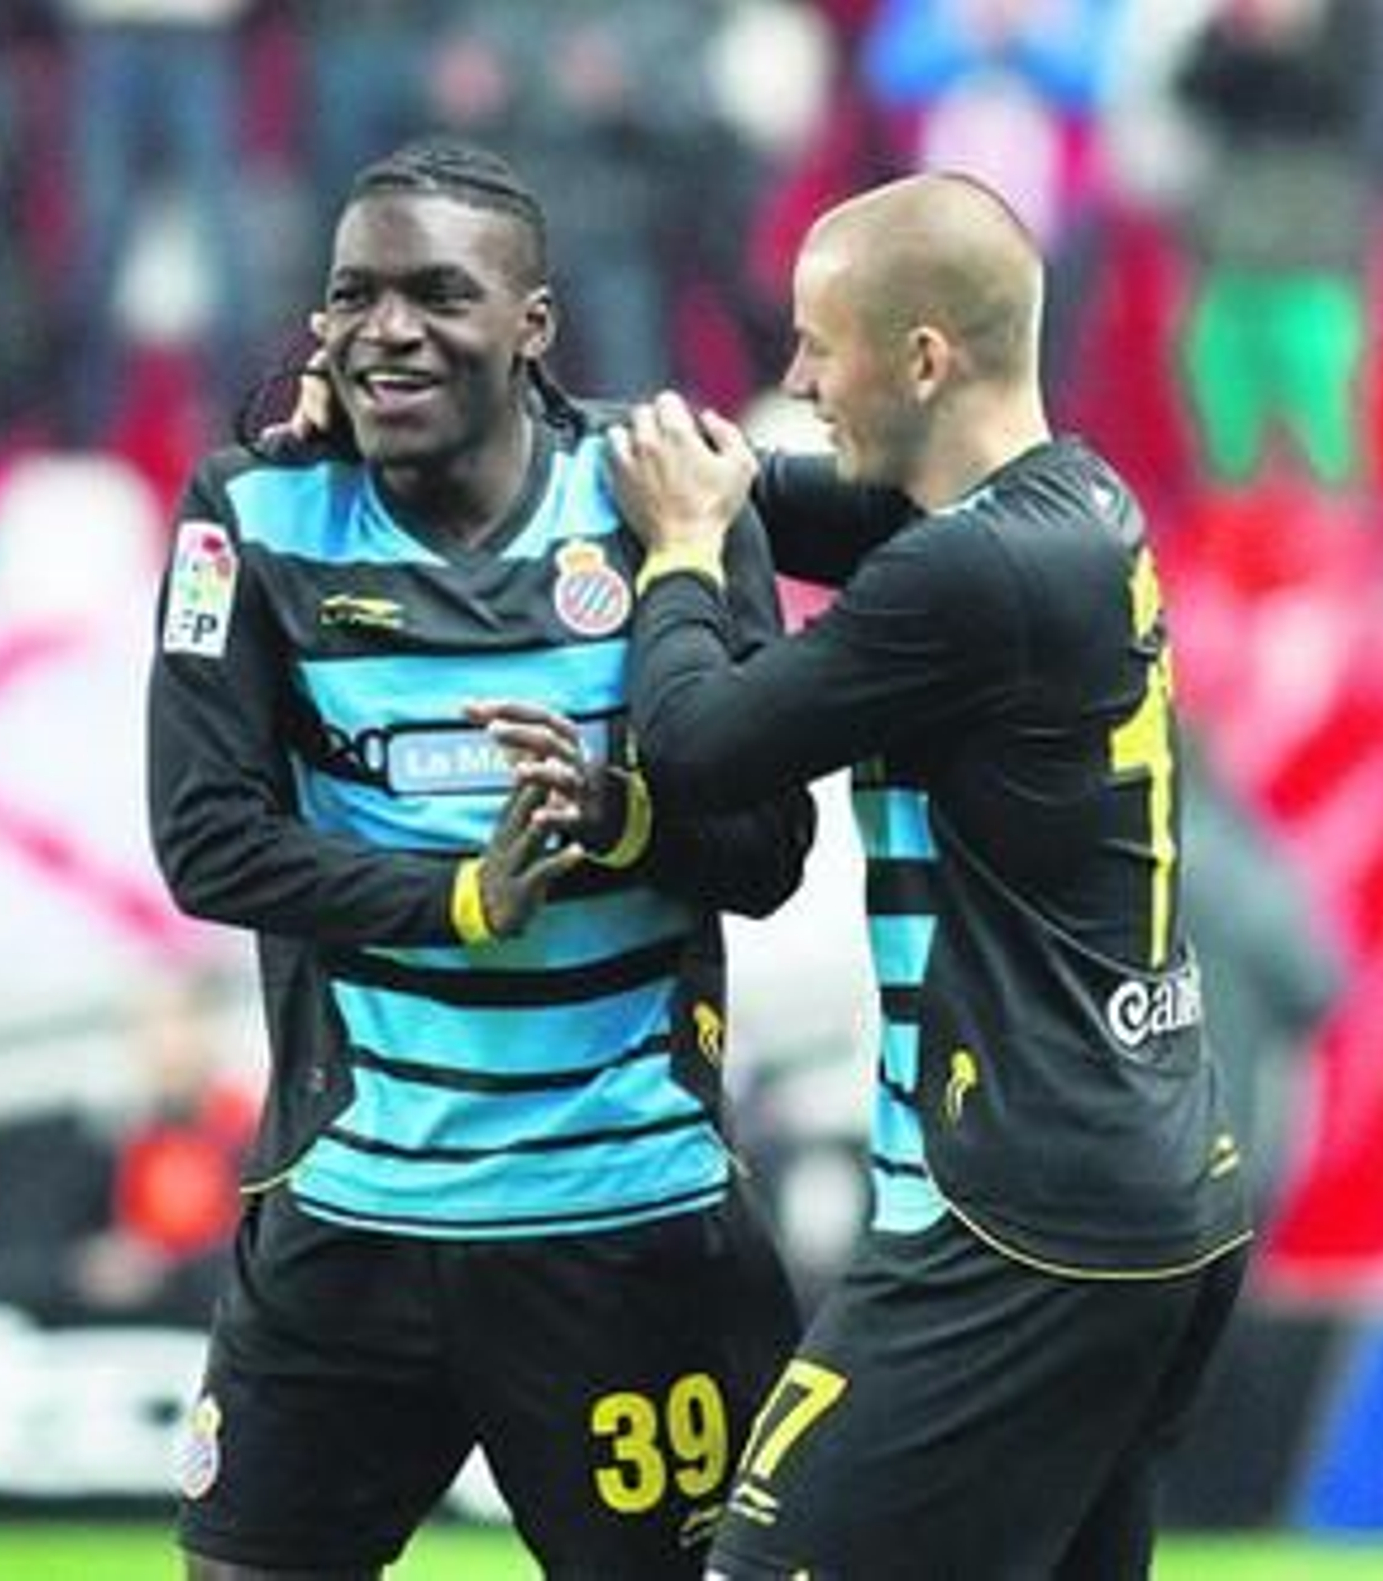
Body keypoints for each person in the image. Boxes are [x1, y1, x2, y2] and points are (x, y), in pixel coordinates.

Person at [145, 137, 812, 1579]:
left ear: (535, 326)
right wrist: (454, 896)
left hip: (625, 1221)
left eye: (440, 294)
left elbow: (770, 851)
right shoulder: (251, 515)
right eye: (352, 296)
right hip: (346, 1221)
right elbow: (205, 844)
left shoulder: (663, 502)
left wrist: (622, 816)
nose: (388, 328)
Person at [594, 171, 1254, 1580]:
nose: (794, 379)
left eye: (817, 345)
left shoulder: (969, 580)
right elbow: (780, 493)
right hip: (1144, 1190)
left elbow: (701, 743)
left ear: (921, 358)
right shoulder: (1071, 506)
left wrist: (683, 557)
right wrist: (532, 437)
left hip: (1013, 1224)